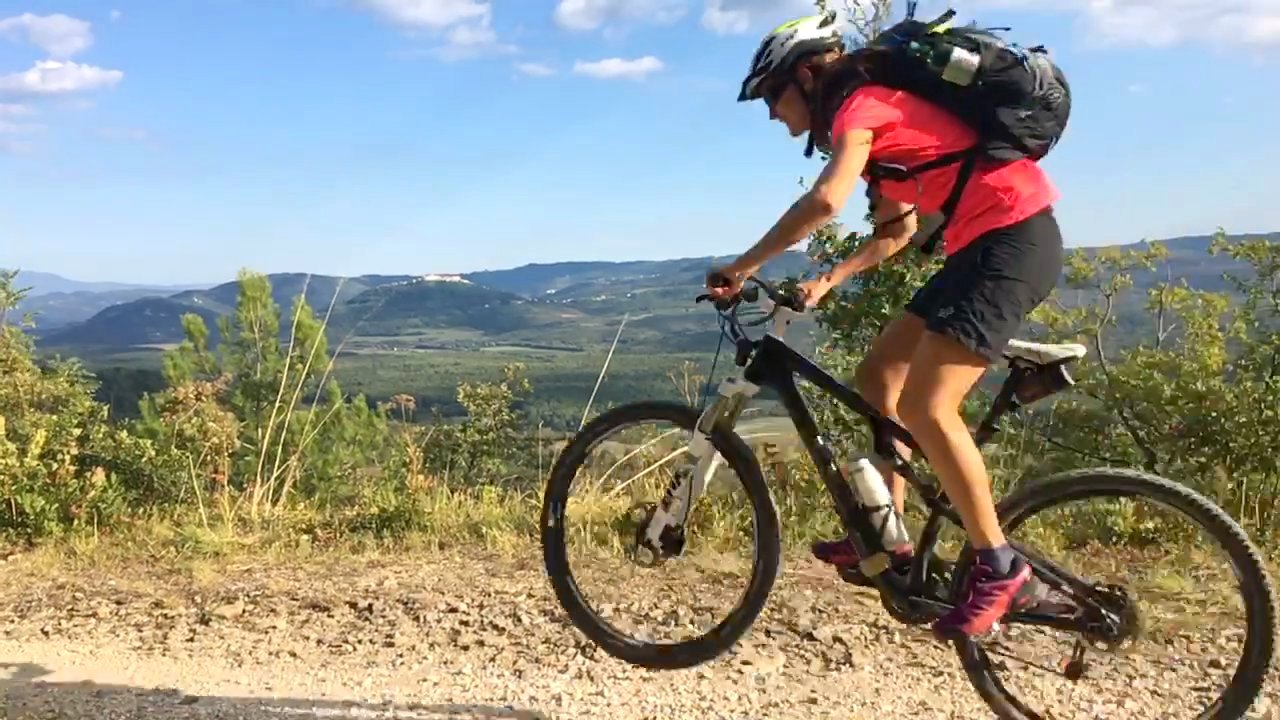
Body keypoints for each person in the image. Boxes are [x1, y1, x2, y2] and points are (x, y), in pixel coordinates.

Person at [705, 14, 1062, 640]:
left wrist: (742, 265)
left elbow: (823, 202)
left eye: (771, 95)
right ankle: (887, 534)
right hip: (979, 247)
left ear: (808, 75)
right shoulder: (875, 120)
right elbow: (895, 231)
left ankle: (1000, 565)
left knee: (928, 406)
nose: (770, 114)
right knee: (878, 373)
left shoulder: (861, 107)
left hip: (1011, 241)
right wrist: (828, 279)